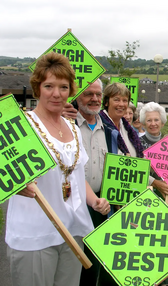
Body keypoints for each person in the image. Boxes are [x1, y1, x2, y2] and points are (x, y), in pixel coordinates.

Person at [6, 52, 110, 286]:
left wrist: (94, 201)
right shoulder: (23, 125)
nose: (56, 93)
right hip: (34, 234)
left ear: (71, 90)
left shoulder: (73, 128)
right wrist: (15, 184)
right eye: (49, 86)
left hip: (72, 232)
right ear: (38, 87)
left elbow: (75, 174)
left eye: (63, 87)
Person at [62, 79, 119, 286]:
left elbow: (122, 164)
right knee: (71, 264)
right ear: (77, 96)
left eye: (98, 94)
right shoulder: (66, 124)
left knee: (93, 264)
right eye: (88, 94)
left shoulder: (110, 131)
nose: (94, 99)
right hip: (71, 206)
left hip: (99, 206)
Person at [99, 83, 144, 158]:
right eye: (117, 100)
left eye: (125, 100)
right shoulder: (99, 124)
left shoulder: (129, 130)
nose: (121, 104)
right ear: (106, 102)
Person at [139, 102, 168, 198]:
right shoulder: (137, 144)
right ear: (144, 124)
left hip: (167, 195)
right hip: (145, 196)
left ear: (162, 123)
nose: (153, 124)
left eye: (156, 120)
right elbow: (137, 172)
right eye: (149, 120)